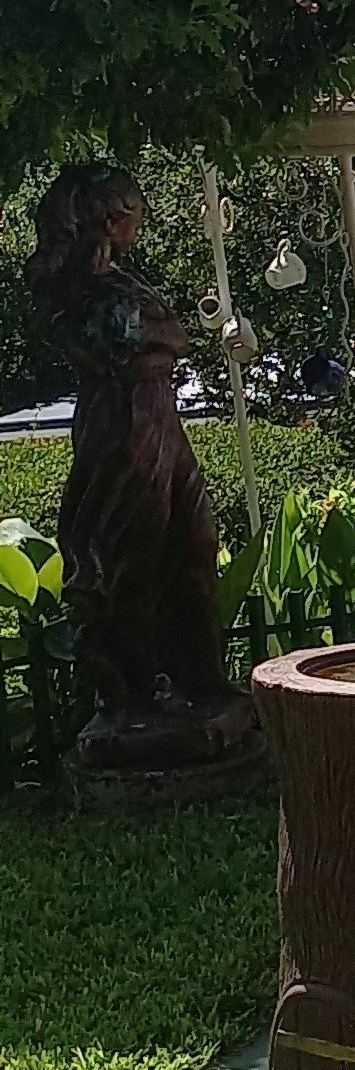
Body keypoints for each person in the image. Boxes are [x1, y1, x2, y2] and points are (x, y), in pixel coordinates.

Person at [26, 162, 233, 733]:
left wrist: (156, 338)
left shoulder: (112, 283)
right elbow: (124, 345)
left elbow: (168, 339)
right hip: (122, 420)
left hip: (156, 411)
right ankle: (137, 694)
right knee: (131, 553)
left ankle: (201, 678)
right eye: (136, 213)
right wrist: (156, 337)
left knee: (196, 539)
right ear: (111, 219)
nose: (140, 223)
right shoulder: (77, 287)